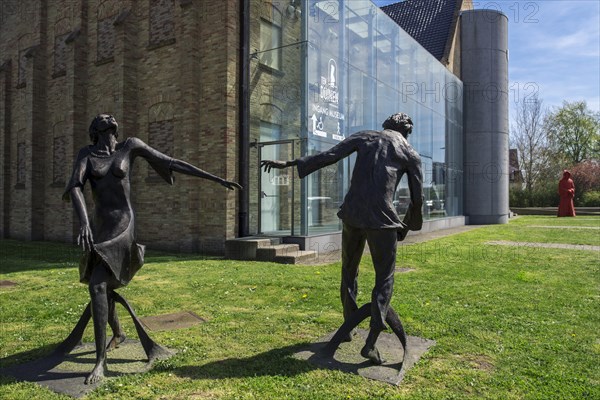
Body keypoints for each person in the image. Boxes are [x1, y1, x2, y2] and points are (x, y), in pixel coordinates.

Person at [64, 114, 241, 384]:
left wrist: (216, 179)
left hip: (124, 226)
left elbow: (169, 162)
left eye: (111, 118)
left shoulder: (130, 146)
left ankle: (100, 360)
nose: (109, 118)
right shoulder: (86, 155)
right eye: (103, 118)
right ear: (95, 130)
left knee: (99, 285)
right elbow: (75, 186)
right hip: (100, 228)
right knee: (102, 285)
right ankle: (117, 336)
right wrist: (84, 224)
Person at [261, 112, 423, 364]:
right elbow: (417, 200)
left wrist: (291, 163)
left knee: (349, 270)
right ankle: (370, 343)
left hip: (353, 214)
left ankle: (348, 326)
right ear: (407, 131)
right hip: (382, 219)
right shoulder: (410, 153)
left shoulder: (367, 136)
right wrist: (408, 225)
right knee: (385, 279)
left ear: (386, 126)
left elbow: (329, 155)